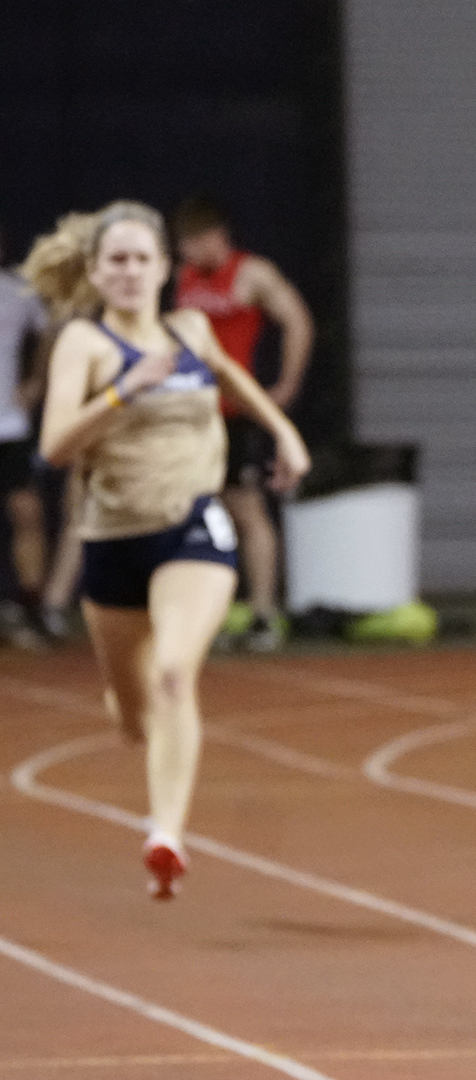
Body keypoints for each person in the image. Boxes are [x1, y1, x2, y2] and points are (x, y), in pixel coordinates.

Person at [27, 201, 310, 899]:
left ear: (163, 270)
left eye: (140, 259)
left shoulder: (190, 328)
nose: (128, 271)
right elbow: (55, 447)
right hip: (112, 539)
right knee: (132, 716)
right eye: (115, 260)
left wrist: (284, 432)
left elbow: (233, 378)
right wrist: (125, 390)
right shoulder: (84, 346)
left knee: (175, 677)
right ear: (95, 270)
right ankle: (139, 725)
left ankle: (166, 835)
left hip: (192, 526)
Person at [171, 195, 314, 651]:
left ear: (216, 236)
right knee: (197, 513)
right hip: (193, 411)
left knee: (247, 511)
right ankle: (210, 611)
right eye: (183, 246)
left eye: (194, 243)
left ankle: (263, 614)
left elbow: (298, 322)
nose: (188, 254)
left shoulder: (252, 274)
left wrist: (286, 385)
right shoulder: (184, 277)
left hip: (236, 415)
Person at [0, 229, 51, 648]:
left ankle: (30, 608)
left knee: (27, 511)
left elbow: (49, 331)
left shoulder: (19, 292)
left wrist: (36, 380)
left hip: (10, 426)